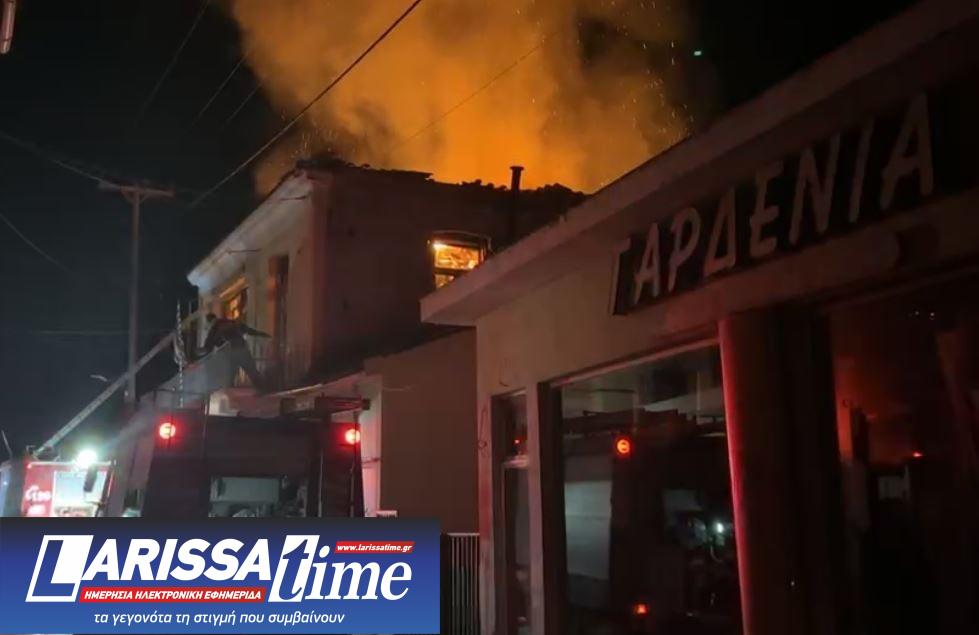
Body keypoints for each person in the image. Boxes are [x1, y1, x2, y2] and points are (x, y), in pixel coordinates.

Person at [201, 313, 270, 390]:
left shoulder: (215, 328)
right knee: (252, 372)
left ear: (210, 321)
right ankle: (264, 389)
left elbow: (208, 347)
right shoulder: (232, 322)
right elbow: (249, 331)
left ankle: (229, 392)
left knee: (229, 377)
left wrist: (202, 354)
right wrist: (264, 335)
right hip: (243, 349)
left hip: (231, 353)